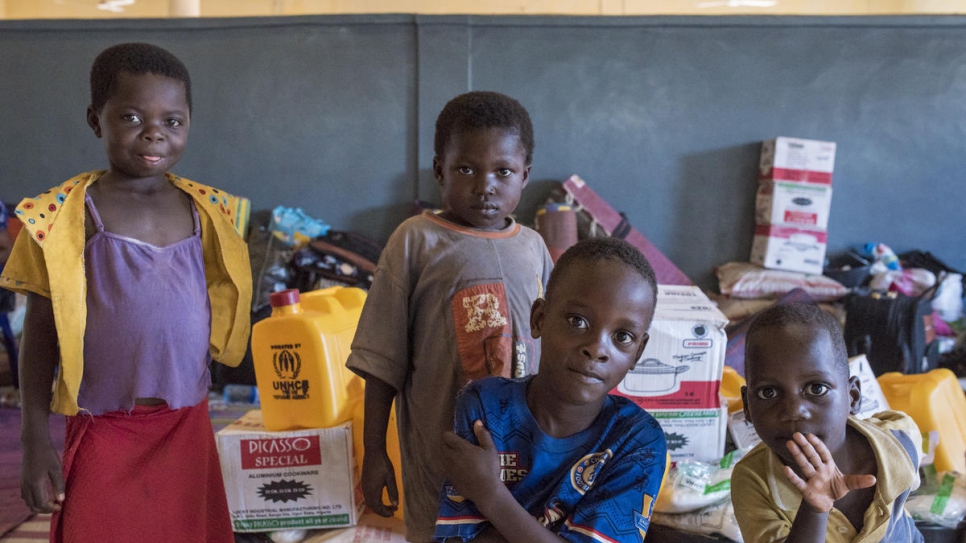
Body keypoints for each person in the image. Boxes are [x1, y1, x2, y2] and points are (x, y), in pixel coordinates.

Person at [0, 43, 251, 543]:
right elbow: (42, 333)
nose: (154, 132)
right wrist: (34, 437)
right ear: (97, 120)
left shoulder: (208, 213)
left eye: (173, 121)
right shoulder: (64, 217)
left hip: (186, 421)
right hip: (105, 424)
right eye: (132, 116)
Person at [346, 90, 554, 542]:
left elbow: (551, 346)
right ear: (440, 170)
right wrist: (376, 452)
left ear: (525, 176)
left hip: (524, 453)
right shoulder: (415, 241)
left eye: (503, 171)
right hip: (438, 452)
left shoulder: (534, 247)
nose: (486, 185)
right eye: (466, 169)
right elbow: (382, 361)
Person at [433, 237, 667, 543]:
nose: (596, 349)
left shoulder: (637, 441)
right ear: (539, 319)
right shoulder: (484, 406)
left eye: (622, 336)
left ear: (638, 352)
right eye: (577, 321)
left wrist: (490, 494)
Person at [732, 303, 924, 543]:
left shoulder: (898, 441)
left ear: (852, 397)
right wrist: (814, 509)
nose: (793, 411)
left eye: (816, 388)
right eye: (768, 393)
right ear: (747, 407)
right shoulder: (753, 480)